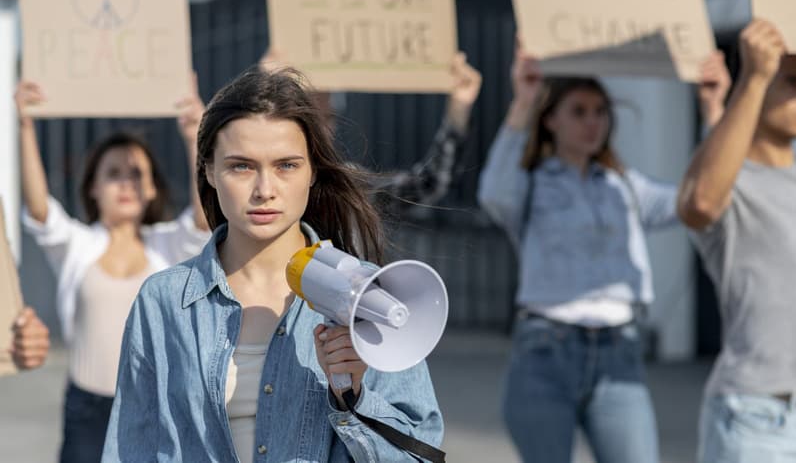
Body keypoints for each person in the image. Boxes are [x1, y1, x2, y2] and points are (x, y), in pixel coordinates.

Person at [103, 67, 443, 462]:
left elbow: (421, 454)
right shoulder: (164, 302)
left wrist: (353, 397)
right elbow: (131, 449)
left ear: (313, 171)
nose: (265, 190)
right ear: (209, 171)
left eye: (286, 165)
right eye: (241, 166)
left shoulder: (372, 297)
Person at [476, 41, 730, 463]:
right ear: (551, 119)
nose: (592, 122)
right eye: (579, 111)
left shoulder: (625, 185)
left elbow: (699, 201)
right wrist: (523, 100)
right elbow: (495, 195)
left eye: (600, 111)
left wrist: (713, 112)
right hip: (545, 350)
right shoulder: (532, 182)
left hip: (619, 353)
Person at [15, 76, 211, 462]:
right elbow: (40, 210)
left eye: (136, 174)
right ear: (93, 188)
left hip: (156, 408)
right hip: (87, 411)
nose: (126, 184)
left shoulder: (167, 245)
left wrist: (195, 136)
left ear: (153, 188)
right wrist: (23, 125)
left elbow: (204, 220)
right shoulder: (78, 244)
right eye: (113, 173)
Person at [677, 19, 796, 463]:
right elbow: (700, 201)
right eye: (793, 82)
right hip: (760, 419)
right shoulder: (730, 186)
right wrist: (754, 76)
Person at [260, 48, 482, 214]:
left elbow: (428, 183)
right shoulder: (248, 183)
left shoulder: (347, 189)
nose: (316, 129)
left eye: (326, 117)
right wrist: (263, 95)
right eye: (305, 116)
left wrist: (459, 107)